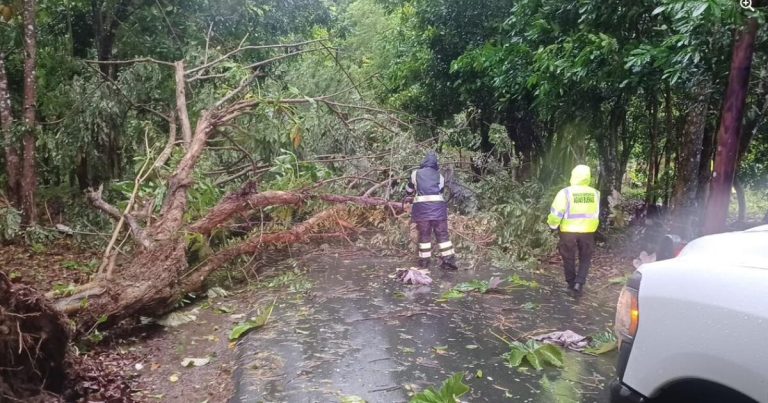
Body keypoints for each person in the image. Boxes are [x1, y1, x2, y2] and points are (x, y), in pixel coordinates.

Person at [547, 165, 600, 294]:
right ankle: (579, 283)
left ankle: (571, 283)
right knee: (585, 257)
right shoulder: (595, 193)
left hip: (568, 230)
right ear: (588, 177)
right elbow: (596, 212)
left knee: (568, 256)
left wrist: (552, 225)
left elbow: (556, 213)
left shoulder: (565, 192)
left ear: (573, 176)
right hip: (588, 230)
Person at [406, 151, 458, 270]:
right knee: (442, 234)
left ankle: (424, 262)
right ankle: (448, 260)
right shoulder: (439, 176)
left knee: (424, 234)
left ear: (424, 162)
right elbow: (439, 191)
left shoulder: (415, 173)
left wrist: (410, 193)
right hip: (438, 209)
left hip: (422, 209)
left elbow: (409, 189)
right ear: (435, 164)